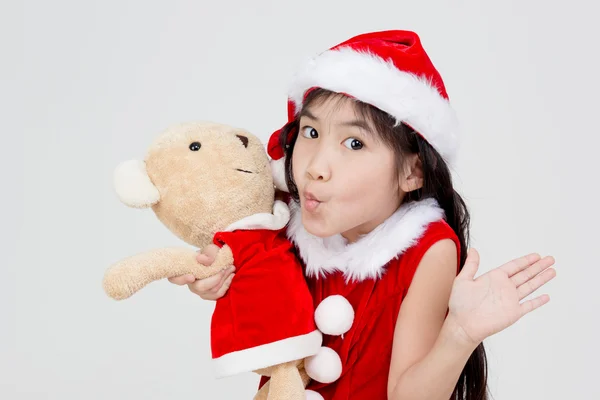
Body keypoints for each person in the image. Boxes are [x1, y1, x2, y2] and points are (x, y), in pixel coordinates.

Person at [169, 30, 556, 399]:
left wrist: (459, 334)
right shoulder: (286, 218)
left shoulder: (429, 249)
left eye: (354, 143)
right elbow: (261, 300)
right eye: (311, 132)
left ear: (412, 171)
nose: (317, 167)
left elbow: (407, 394)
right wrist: (220, 277)